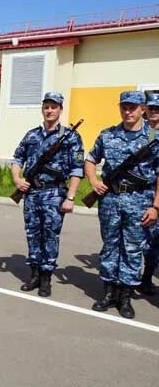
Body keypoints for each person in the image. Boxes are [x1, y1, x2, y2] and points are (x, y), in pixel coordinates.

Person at [85, 90, 159, 319]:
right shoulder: (108, 135)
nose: (128, 111)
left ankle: (125, 297)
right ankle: (108, 292)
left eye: (133, 107)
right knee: (110, 246)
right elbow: (90, 158)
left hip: (140, 202)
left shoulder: (154, 138)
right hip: (110, 201)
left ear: (142, 110)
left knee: (133, 249)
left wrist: (156, 207)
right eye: (124, 107)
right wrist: (94, 181)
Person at [11, 92, 84, 297]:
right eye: (46, 106)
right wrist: (17, 179)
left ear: (60, 109)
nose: (49, 110)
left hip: (54, 192)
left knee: (50, 235)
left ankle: (46, 278)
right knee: (32, 233)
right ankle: (34, 274)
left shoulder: (71, 136)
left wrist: (70, 197)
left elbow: (77, 169)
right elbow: (17, 158)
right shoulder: (31, 135)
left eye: (54, 106)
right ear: (42, 109)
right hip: (32, 193)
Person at [139, 92, 159, 295]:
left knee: (154, 242)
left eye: (157, 109)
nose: (154, 112)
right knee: (143, 237)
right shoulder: (144, 133)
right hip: (143, 194)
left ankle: (147, 277)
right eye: (151, 108)